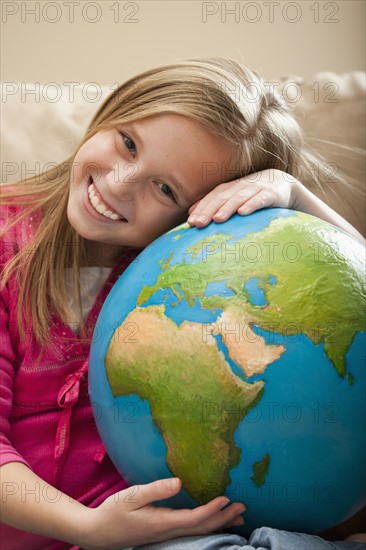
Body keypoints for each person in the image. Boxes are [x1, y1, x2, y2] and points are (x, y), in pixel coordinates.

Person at [0, 58, 365, 550]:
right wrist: (88, 529)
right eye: (128, 142)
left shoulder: (184, 278)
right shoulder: (7, 241)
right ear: (113, 110)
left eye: (166, 188)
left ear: (207, 212)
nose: (121, 181)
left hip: (170, 534)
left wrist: (297, 199)